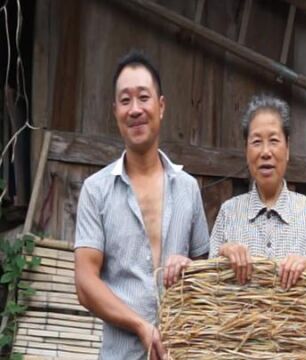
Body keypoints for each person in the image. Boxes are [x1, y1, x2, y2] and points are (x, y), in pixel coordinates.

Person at [74, 51, 209, 360]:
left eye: (143, 98)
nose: (135, 109)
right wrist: (139, 325)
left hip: (182, 352)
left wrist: (191, 268)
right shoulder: (97, 191)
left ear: (160, 107)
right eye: (125, 100)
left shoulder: (188, 188)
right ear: (115, 111)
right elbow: (85, 283)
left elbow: (206, 272)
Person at [209, 94, 306, 289]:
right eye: (257, 142)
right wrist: (224, 253)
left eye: (274, 140)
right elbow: (206, 285)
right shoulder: (229, 212)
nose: (265, 152)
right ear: (246, 150)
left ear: (287, 149)